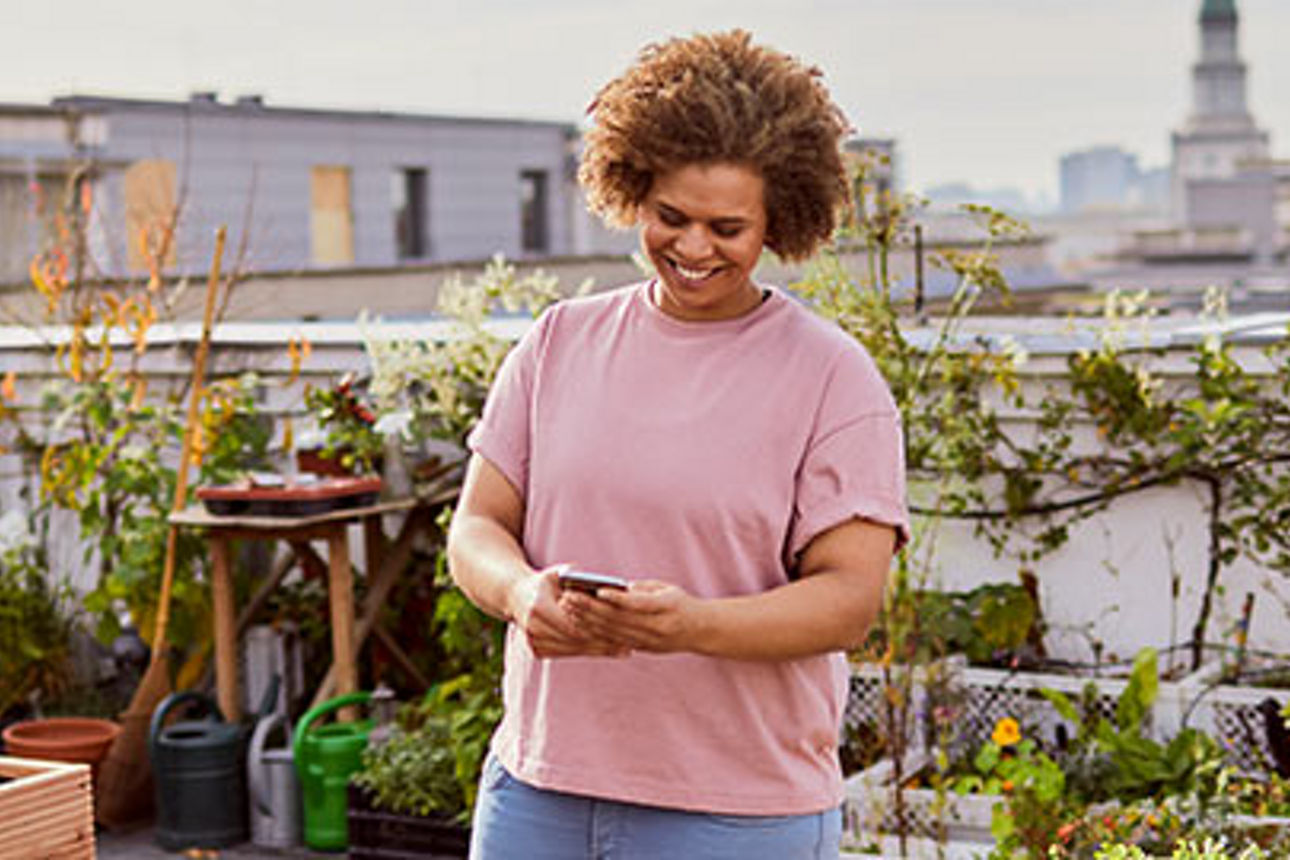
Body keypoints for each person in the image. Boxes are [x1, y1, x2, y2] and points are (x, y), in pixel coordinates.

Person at [448, 29, 909, 860]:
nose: (694, 249)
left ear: (778, 223)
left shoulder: (833, 377)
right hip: (537, 793)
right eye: (671, 218)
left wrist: (691, 625)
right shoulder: (558, 341)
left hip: (737, 813)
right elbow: (477, 527)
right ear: (633, 193)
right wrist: (521, 595)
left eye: (727, 227)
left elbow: (849, 600)